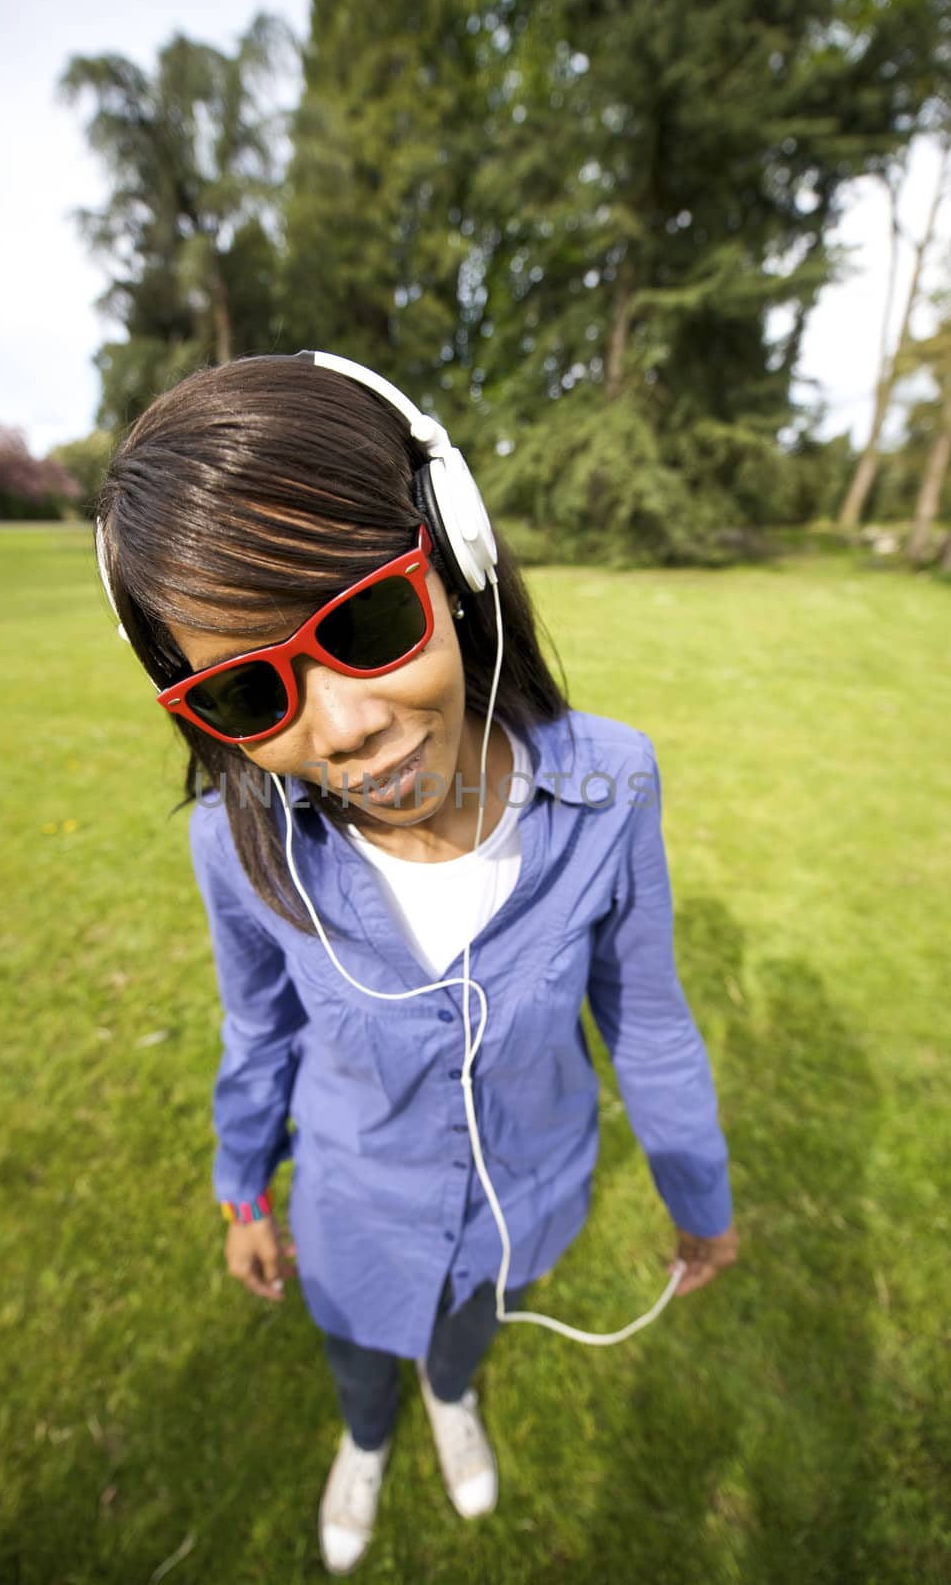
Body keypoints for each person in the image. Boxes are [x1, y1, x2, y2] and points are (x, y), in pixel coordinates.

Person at [93, 351, 738, 1576]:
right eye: (248, 693)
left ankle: (448, 1400)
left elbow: (649, 1021)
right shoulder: (234, 847)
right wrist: (243, 1192)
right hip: (355, 1212)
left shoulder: (614, 786)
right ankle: (367, 1437)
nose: (343, 726)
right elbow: (259, 1035)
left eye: (366, 621)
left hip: (523, 1200)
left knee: (458, 1338)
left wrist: (700, 1201)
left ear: (456, 555)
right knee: (356, 1355)